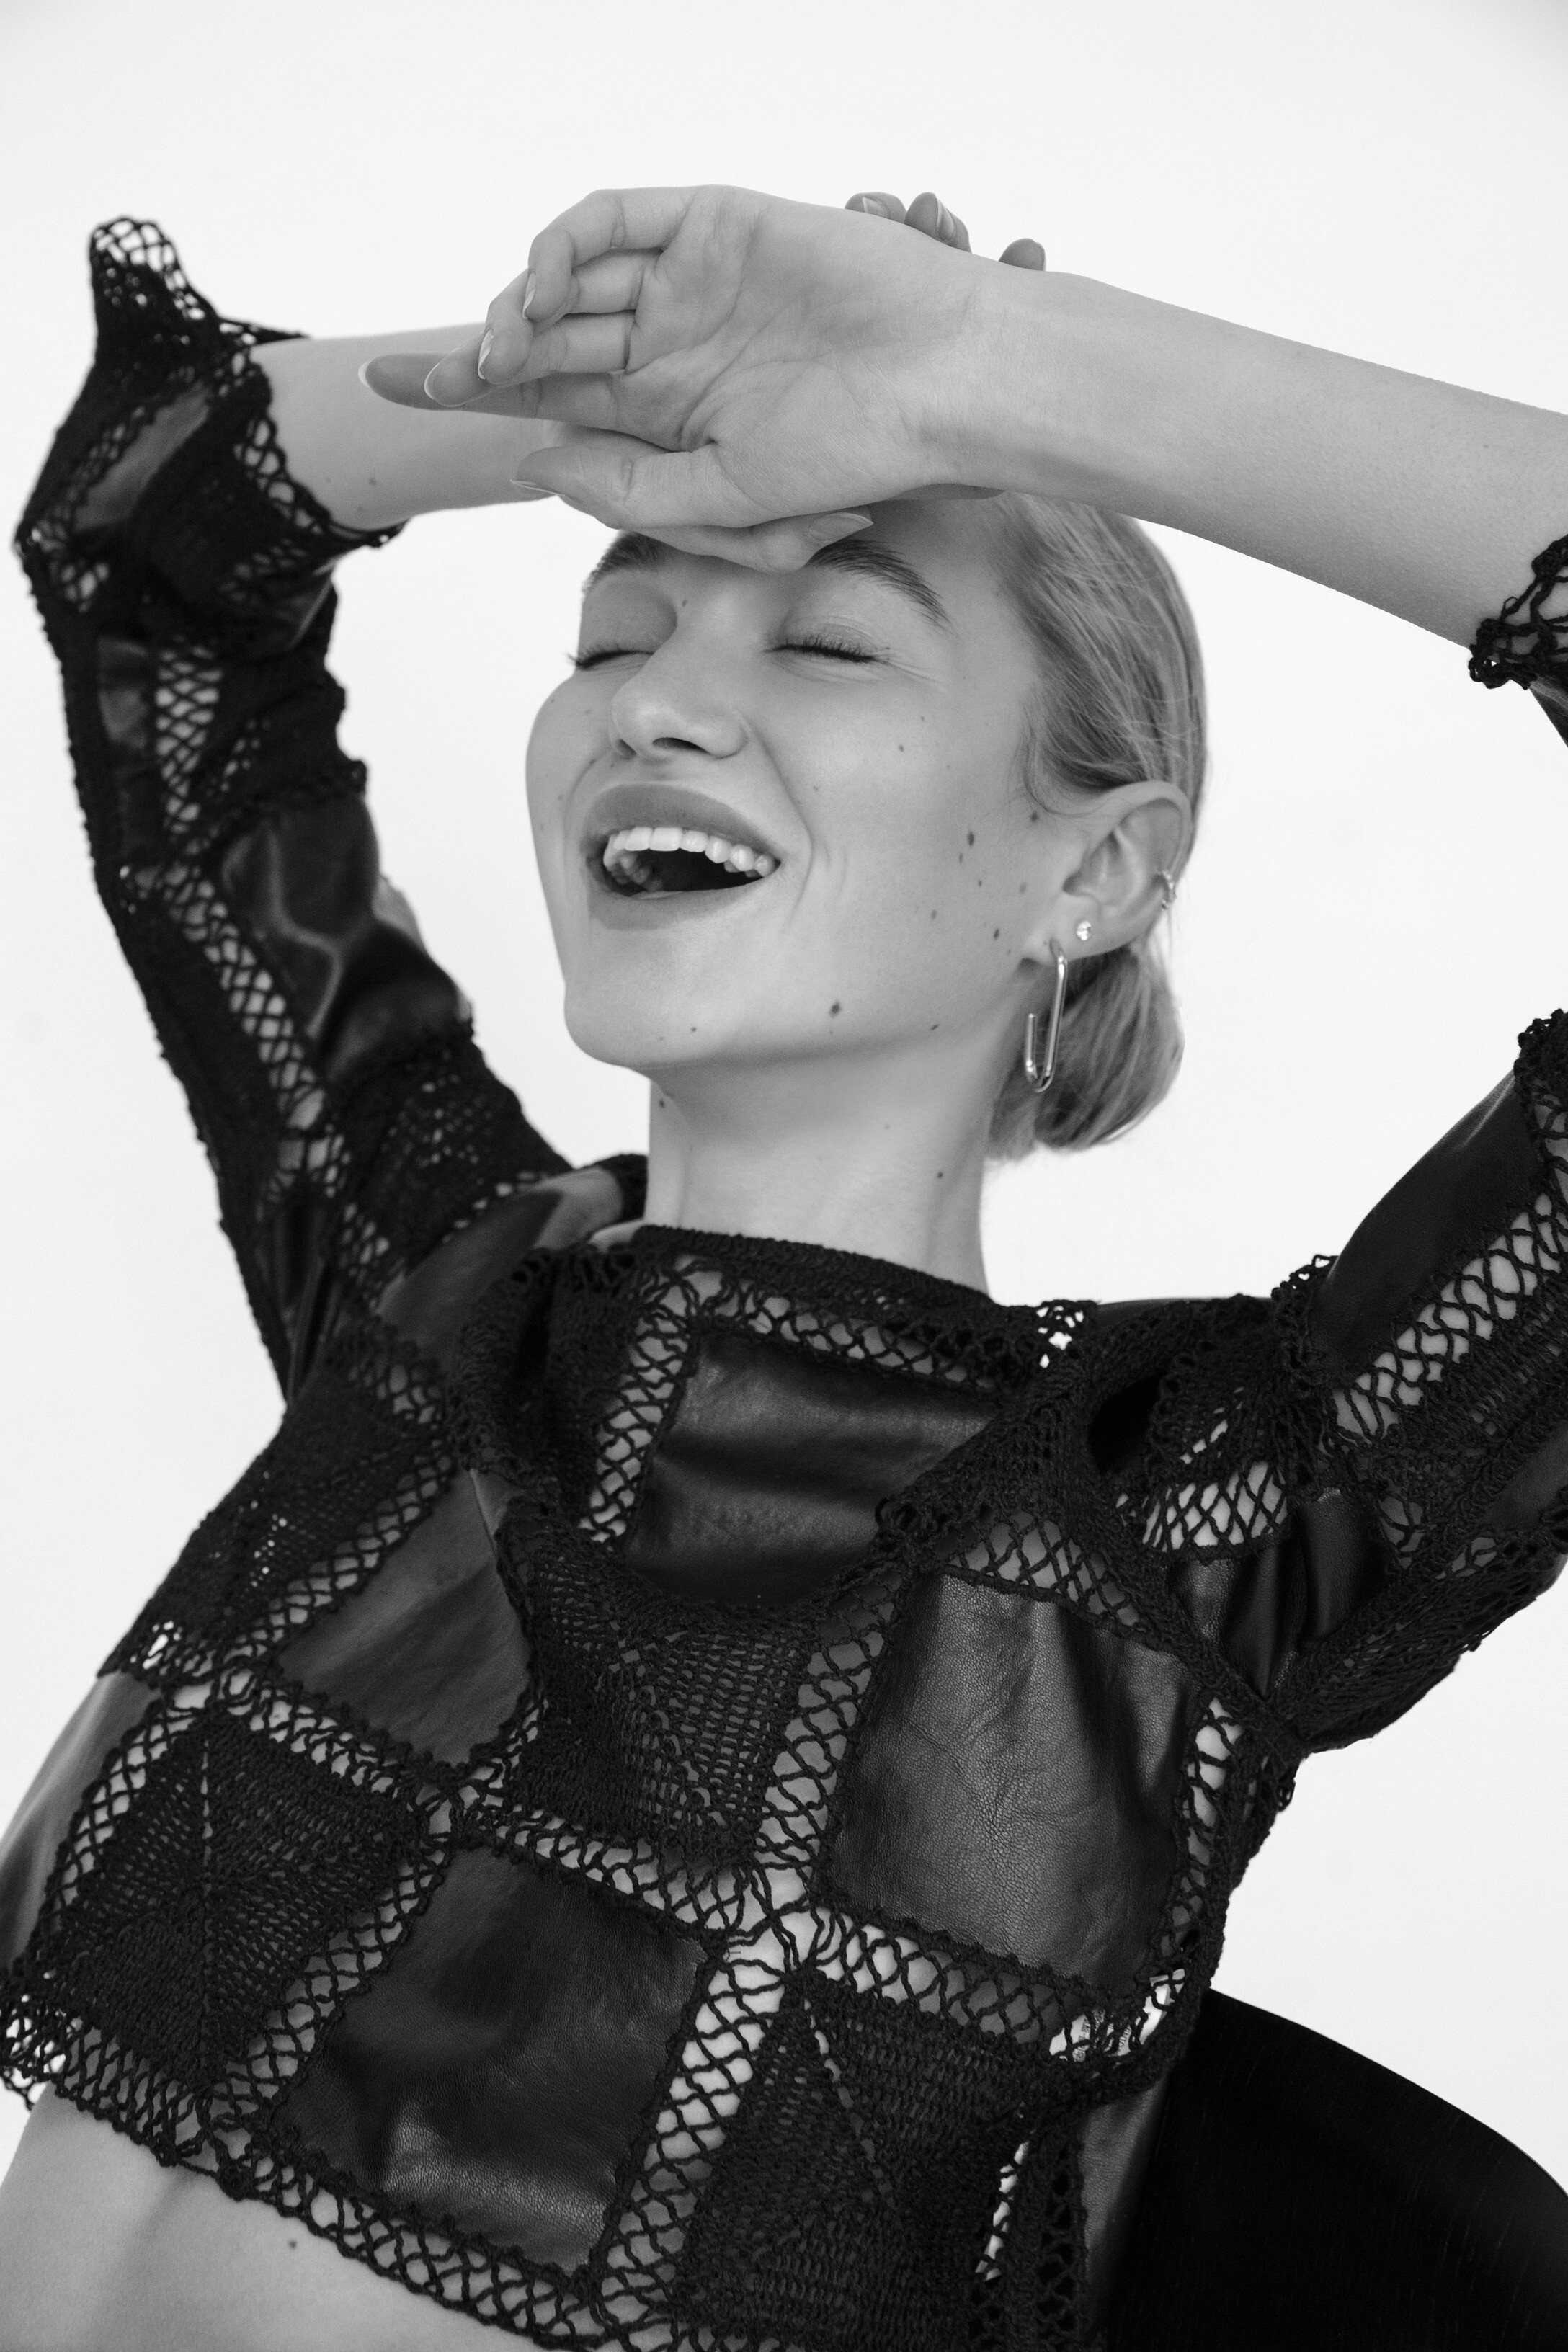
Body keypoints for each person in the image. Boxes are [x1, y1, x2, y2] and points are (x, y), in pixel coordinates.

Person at [0, 179, 1565, 2352]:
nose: (658, 706)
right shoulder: (433, 1291)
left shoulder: (1191, 1536)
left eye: (825, 642)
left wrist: (993, 374)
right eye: (613, 633)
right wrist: (632, 404)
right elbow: (142, 552)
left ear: (1098, 867)